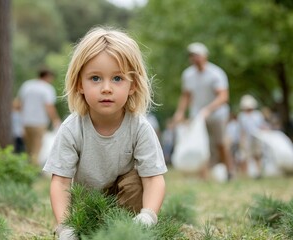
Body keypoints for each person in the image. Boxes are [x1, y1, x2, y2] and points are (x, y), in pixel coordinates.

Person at [43, 27, 167, 240]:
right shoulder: (72, 128)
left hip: (128, 207)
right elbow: (61, 182)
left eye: (117, 79)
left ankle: (127, 230)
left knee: (138, 178)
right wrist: (65, 227)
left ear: (133, 85)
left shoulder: (139, 127)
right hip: (88, 206)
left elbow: (154, 179)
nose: (106, 88)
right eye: (95, 78)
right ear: (79, 84)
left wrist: (148, 216)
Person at [172, 42, 234, 178]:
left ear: (205, 56)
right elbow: (186, 96)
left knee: (221, 143)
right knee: (201, 143)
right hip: (198, 114)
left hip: (217, 114)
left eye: (197, 55)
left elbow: (223, 96)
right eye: (192, 56)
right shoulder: (188, 75)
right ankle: (204, 175)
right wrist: (180, 112)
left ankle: (229, 171)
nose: (194, 58)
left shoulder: (216, 73)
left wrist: (208, 110)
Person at [18, 68, 61, 166]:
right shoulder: (47, 88)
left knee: (29, 149)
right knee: (37, 148)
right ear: (48, 76)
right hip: (39, 123)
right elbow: (49, 106)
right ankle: (33, 170)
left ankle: (27, 168)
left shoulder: (27, 85)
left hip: (26, 122)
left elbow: (19, 103)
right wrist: (55, 119)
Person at [237, 94, 267, 177]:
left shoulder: (258, 115)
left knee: (257, 155)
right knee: (245, 156)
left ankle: (259, 172)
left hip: (257, 137)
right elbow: (241, 130)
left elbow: (262, 126)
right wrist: (242, 141)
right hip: (247, 138)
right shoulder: (242, 116)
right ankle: (245, 174)